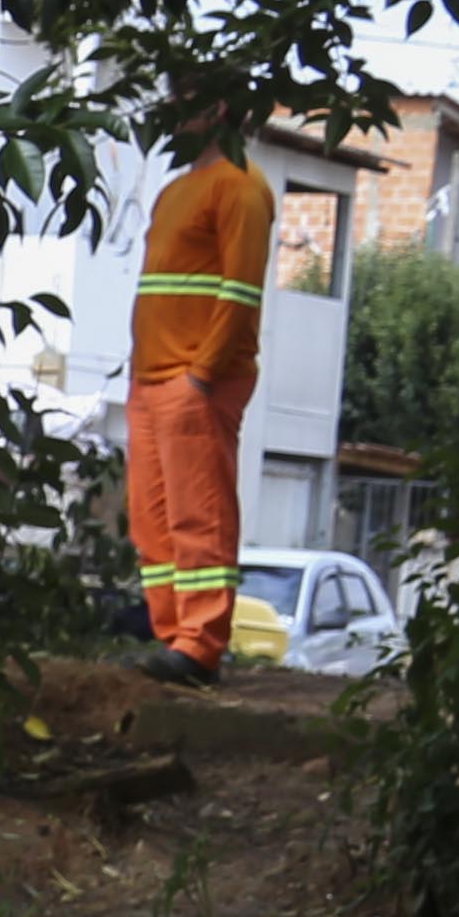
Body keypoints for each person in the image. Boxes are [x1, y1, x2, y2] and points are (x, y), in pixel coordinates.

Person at [123, 112, 273, 686]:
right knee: (152, 519)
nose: (172, 111)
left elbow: (240, 289)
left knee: (199, 512)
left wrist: (202, 374)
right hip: (152, 378)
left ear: (219, 109)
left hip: (195, 378)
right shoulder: (174, 191)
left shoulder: (239, 186)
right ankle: (174, 638)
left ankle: (202, 645)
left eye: (187, 98)